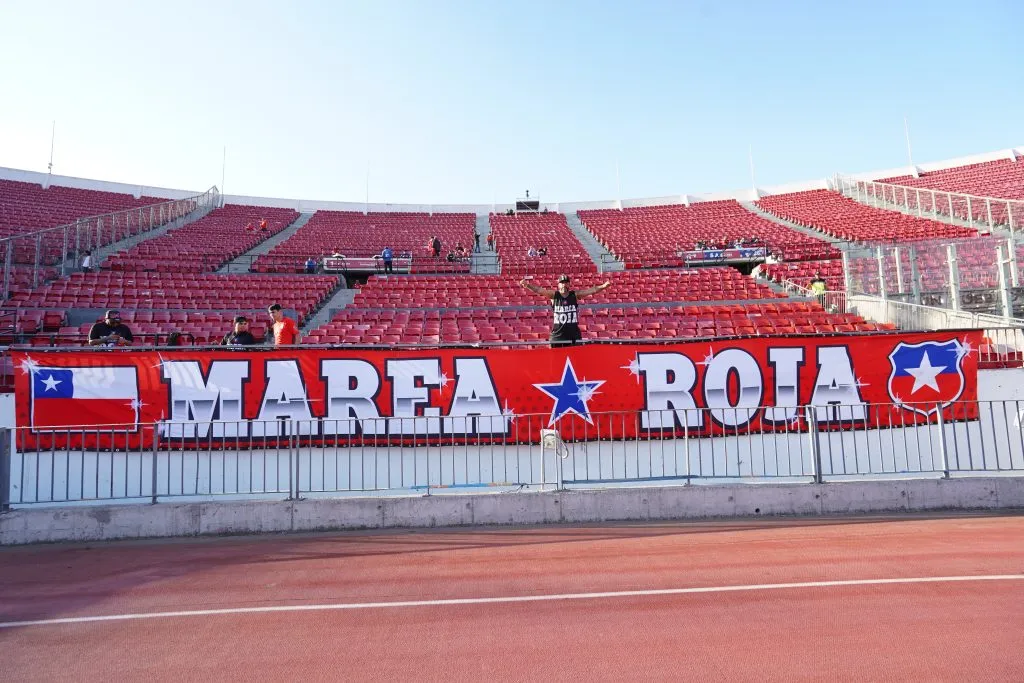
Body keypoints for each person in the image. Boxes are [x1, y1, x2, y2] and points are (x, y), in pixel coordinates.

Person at [521, 274, 612, 346]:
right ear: (558, 284)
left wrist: (603, 286)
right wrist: (528, 285)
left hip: (573, 336)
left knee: (575, 363)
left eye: (566, 282)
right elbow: (539, 290)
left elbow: (591, 290)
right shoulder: (554, 295)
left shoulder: (574, 295)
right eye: (562, 282)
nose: (564, 285)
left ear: (569, 284)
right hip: (557, 337)